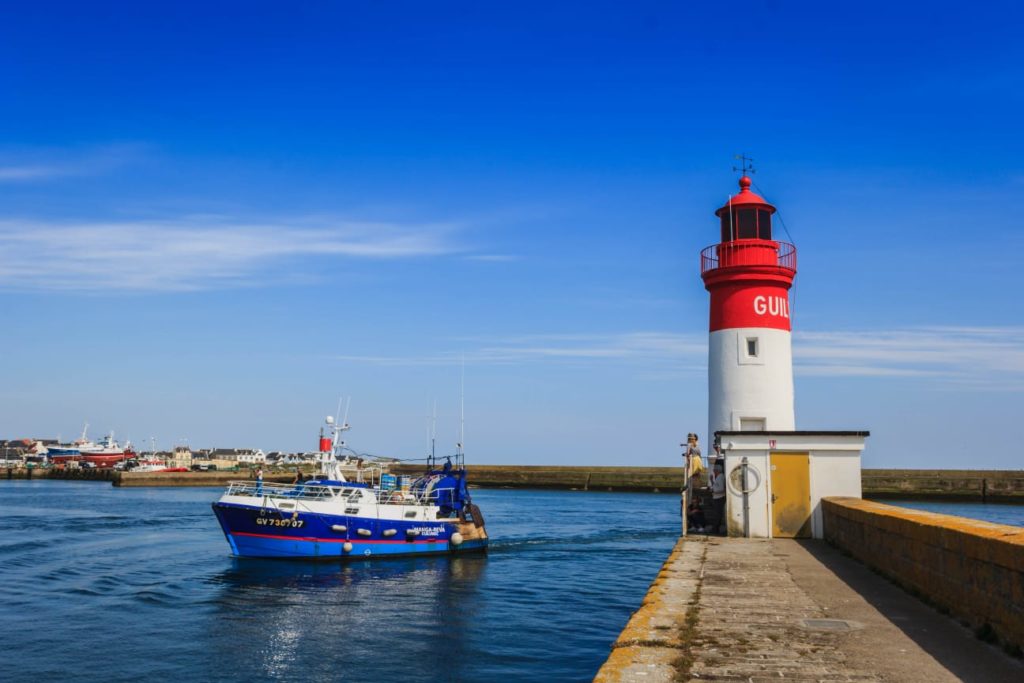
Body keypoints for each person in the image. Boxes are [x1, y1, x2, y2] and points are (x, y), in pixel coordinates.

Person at [710, 462, 726, 534]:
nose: (713, 471)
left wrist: (714, 492)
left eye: (714, 470)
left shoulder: (720, 477)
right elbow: (716, 486)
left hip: (719, 498)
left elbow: (722, 489)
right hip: (717, 497)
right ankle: (715, 529)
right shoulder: (718, 477)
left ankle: (715, 529)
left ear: (717, 470)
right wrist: (711, 480)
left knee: (717, 514)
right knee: (717, 514)